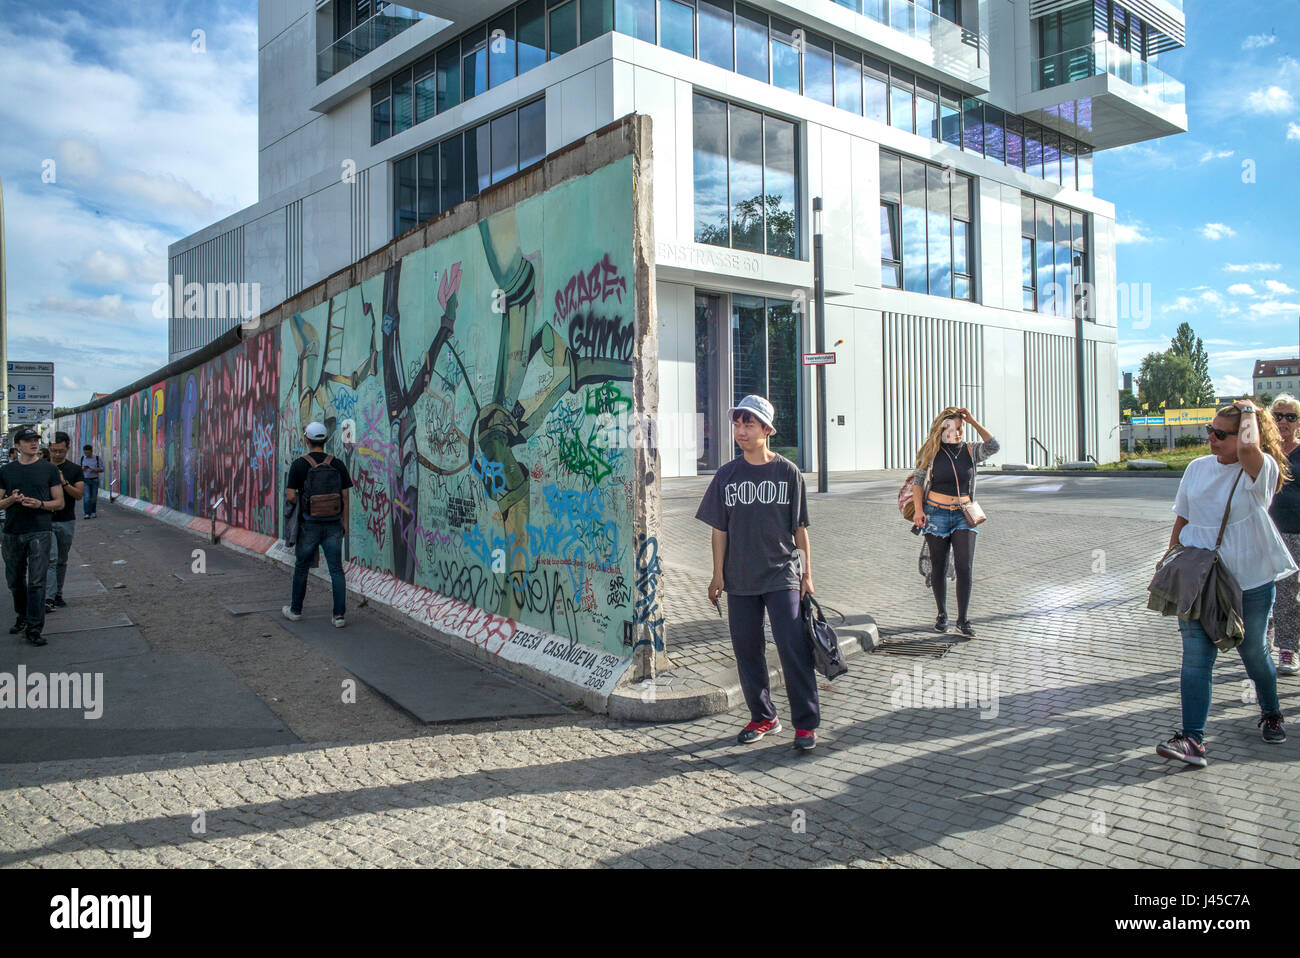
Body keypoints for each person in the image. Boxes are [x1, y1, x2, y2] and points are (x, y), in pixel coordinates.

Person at [1156, 400, 1296, 768]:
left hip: (1249, 580)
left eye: (1221, 434)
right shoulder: (1196, 468)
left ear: (1246, 435)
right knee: (1197, 659)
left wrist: (1249, 409)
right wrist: (1169, 561)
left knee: (1253, 653)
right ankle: (1193, 740)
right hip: (1199, 580)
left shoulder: (1259, 469)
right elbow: (1183, 517)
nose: (1211, 438)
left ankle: (1271, 712)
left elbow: (1250, 448)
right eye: (1210, 430)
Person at [695, 395, 819, 752]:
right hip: (740, 578)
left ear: (767, 429)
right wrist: (717, 575)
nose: (740, 431)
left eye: (748, 424)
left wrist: (807, 575)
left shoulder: (787, 472)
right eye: (737, 424)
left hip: (783, 576)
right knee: (747, 652)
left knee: (792, 649)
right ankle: (764, 716)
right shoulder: (727, 475)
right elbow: (720, 529)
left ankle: (806, 724)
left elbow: (800, 530)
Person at [909, 407, 999, 637]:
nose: (957, 433)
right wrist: (919, 511)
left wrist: (974, 422)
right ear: (941, 430)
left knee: (964, 566)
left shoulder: (971, 450)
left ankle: (963, 619)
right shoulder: (930, 453)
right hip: (936, 514)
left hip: (964, 515)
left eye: (960, 428)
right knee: (938, 566)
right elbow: (918, 483)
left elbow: (993, 446)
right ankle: (942, 614)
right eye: (951, 428)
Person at [283, 421, 352, 628]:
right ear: (326, 439)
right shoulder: (337, 464)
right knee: (336, 570)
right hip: (333, 524)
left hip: (309, 525)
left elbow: (290, 496)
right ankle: (338, 616)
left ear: (306, 440)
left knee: (302, 567)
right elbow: (346, 496)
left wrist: (304, 501)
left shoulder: (299, 465)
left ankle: (295, 610)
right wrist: (344, 522)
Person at [0, 427, 64, 645]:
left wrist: (40, 504)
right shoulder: (7, 471)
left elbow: (59, 502)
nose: (33, 444)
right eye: (28, 441)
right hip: (12, 532)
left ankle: (35, 628)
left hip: (40, 530)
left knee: (37, 582)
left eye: (35, 440)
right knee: (15, 581)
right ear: (17, 446)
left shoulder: (49, 470)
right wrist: (11, 500)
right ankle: (22, 616)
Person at [1267, 395, 1300, 675]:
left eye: (1290, 417)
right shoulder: (1262, 451)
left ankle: (1287, 648)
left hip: (1294, 531)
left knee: (1288, 593)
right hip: (1263, 530)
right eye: (1278, 415)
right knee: (1260, 588)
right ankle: (1260, 638)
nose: (1283, 422)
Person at [45, 433, 84, 613]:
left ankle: (58, 593)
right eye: (53, 450)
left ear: (67, 449)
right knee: (50, 559)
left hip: (66, 520)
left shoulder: (74, 469)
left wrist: (64, 482)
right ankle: (49, 597)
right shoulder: (42, 468)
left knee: (61, 559)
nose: (57, 454)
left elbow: (78, 494)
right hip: (44, 521)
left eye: (61, 451)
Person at [78, 444, 103, 519]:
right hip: (85, 480)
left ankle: (93, 512)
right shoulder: (81, 458)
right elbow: (77, 469)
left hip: (94, 479)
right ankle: (87, 513)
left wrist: (95, 470)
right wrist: (82, 469)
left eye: (88, 453)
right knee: (87, 497)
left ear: (91, 451)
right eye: (85, 453)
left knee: (93, 497)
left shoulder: (97, 458)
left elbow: (102, 469)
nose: (87, 454)